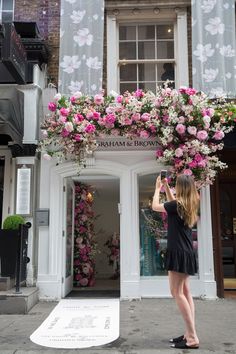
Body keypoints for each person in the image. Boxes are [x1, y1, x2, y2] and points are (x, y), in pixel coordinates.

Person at [152, 173, 200, 350]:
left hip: (178, 252)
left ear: (180, 188)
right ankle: (189, 333)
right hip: (186, 252)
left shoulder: (177, 205)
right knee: (186, 292)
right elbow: (171, 205)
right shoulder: (188, 203)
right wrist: (166, 188)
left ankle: (193, 337)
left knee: (176, 292)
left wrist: (158, 189)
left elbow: (155, 206)